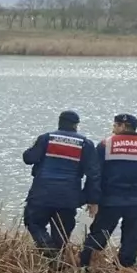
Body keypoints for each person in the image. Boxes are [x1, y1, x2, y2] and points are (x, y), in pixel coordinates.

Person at [79, 112, 137, 270]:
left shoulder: (106, 145)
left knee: (99, 235)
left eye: (115, 125)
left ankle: (84, 267)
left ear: (122, 126)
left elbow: (95, 174)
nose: (113, 129)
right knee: (131, 240)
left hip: (110, 201)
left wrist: (92, 199)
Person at [22, 110, 101, 260]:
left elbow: (29, 158)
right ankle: (55, 264)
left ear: (59, 122)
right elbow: (94, 175)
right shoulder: (85, 144)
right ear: (76, 125)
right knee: (61, 232)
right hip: (69, 196)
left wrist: (33, 146)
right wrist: (92, 200)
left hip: (42, 193)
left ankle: (47, 247)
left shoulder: (47, 138)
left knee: (33, 222)